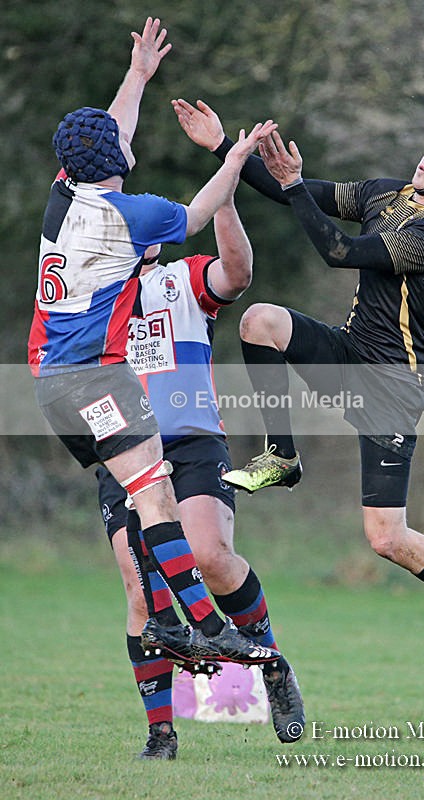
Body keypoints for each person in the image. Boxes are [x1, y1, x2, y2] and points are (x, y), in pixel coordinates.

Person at [173, 98, 424, 686]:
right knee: (260, 323)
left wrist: (296, 185)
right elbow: (287, 192)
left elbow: (340, 253)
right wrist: (225, 145)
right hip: (347, 355)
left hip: (391, 392)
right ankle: (281, 455)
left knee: (387, 538)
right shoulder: (387, 193)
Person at [28, 19, 281, 679]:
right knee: (156, 498)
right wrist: (231, 159)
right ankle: (204, 629)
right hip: (99, 381)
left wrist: (137, 75)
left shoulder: (65, 197)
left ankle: (182, 626)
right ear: (116, 159)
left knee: (149, 498)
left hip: (53, 387)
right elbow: (197, 216)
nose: (124, 138)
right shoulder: (131, 216)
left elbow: (111, 133)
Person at [95, 197, 304, 759]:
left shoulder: (181, 280)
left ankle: (273, 667)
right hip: (121, 449)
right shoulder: (92, 297)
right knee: (143, 594)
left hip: (190, 442)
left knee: (209, 556)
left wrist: (226, 196)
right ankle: (161, 734)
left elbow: (238, 272)